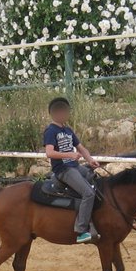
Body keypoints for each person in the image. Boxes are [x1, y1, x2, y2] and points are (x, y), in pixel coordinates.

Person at [43, 96, 100, 243]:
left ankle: (93, 221)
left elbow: (81, 148)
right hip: (63, 169)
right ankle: (81, 231)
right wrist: (70, 154)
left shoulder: (68, 130)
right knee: (88, 193)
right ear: (55, 113)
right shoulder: (51, 131)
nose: (66, 115)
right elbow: (49, 152)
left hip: (75, 166)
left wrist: (90, 160)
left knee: (95, 181)